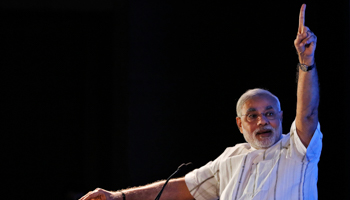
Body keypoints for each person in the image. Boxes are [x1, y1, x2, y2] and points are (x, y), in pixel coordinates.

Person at [79, 4, 321, 200]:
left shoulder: (298, 151)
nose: (262, 121)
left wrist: (305, 60)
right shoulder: (230, 158)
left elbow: (308, 114)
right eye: (252, 116)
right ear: (239, 125)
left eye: (269, 114)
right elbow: (179, 188)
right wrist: (118, 197)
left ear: (280, 117)